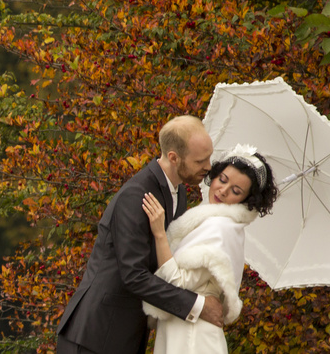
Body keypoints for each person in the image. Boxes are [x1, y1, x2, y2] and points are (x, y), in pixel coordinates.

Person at [56, 116, 225, 354]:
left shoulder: (180, 193)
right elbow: (134, 275)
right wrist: (197, 306)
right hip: (95, 336)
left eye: (209, 156)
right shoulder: (136, 197)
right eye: (200, 160)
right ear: (174, 158)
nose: (209, 166)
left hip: (126, 335)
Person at [140, 143, 280, 353]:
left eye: (235, 191)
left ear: (246, 200)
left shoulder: (220, 228)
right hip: (184, 327)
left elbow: (177, 281)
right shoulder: (210, 220)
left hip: (192, 337)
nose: (222, 191)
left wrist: (160, 234)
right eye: (222, 179)